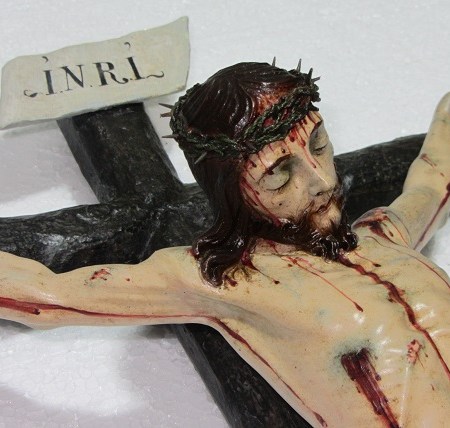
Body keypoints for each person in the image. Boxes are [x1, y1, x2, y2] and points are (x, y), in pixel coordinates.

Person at [0, 62, 448, 427]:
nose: (321, 180)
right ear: (234, 194)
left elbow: (434, 175)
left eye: (318, 144)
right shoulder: (232, 281)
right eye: (279, 175)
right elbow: (47, 296)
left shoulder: (384, 232)